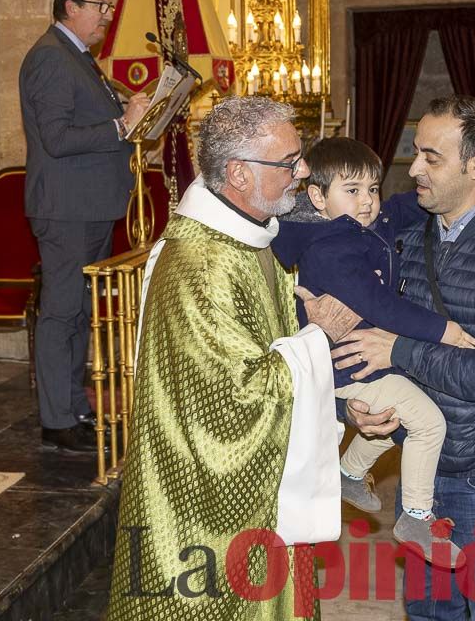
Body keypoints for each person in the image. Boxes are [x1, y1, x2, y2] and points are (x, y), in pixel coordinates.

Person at [333, 96, 475, 621]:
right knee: (429, 613)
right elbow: (373, 347)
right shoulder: (406, 242)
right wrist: (363, 409)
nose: (413, 169)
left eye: (431, 157)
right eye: (416, 152)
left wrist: (403, 349)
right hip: (424, 476)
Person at [107, 97, 334, 620]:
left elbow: (271, 350)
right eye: (288, 162)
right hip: (202, 511)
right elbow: (237, 401)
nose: (302, 172)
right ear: (237, 173)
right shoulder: (201, 264)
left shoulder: (248, 237)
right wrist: (320, 340)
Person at [272, 137, 475, 567]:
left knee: (393, 418)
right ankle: (417, 517)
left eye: (372, 188)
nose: (367, 202)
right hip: (346, 367)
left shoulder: (366, 221)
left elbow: (404, 206)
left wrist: (443, 186)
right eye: (352, 190)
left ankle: (347, 473)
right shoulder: (329, 250)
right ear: (317, 197)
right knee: (428, 424)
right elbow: (379, 305)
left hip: (367, 359)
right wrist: (445, 331)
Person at [19, 0, 149, 454]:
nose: (106, 16)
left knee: (77, 316)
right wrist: (121, 125)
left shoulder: (78, 58)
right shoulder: (51, 58)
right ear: (70, 7)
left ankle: (74, 408)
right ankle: (56, 419)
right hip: (67, 209)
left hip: (89, 206)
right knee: (61, 313)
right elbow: (56, 138)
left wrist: (127, 115)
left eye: (109, 8)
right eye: (101, 6)